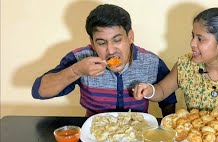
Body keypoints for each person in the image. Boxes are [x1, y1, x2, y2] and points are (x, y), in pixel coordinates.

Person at [32, 4, 176, 117]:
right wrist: (76, 70)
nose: (111, 50)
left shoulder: (151, 62)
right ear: (92, 43)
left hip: (137, 134)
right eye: (101, 43)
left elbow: (168, 99)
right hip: (95, 135)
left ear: (130, 37)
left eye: (117, 40)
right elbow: (40, 91)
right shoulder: (80, 59)